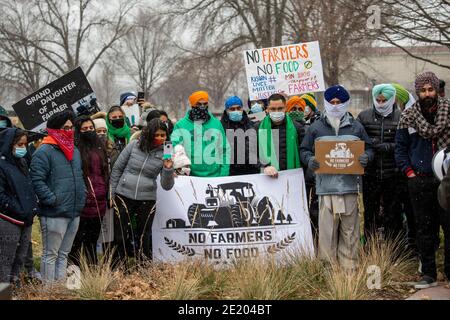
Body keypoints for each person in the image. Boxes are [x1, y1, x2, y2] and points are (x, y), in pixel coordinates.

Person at [300, 85, 373, 270]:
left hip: (349, 186)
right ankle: (327, 268)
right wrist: (310, 160)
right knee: (327, 230)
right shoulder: (316, 127)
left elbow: (370, 148)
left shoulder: (356, 127)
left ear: (345, 103)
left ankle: (350, 267)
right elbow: (304, 150)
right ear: (326, 103)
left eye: (339, 102)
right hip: (326, 187)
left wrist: (367, 157)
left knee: (350, 230)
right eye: (331, 102)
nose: (335, 105)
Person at [395, 71, 450, 289]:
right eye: (423, 90)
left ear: (436, 90)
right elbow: (400, 149)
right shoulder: (408, 116)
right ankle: (428, 274)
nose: (427, 94)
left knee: (449, 227)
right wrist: (410, 173)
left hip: (446, 181)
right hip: (419, 181)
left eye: (430, 89)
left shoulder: (448, 111)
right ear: (417, 92)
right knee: (424, 229)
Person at [30, 111, 86, 282]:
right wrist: (52, 200)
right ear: (54, 129)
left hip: (73, 210)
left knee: (64, 254)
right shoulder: (44, 151)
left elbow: (79, 175)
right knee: (50, 255)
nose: (69, 131)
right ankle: (48, 292)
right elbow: (36, 180)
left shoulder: (74, 151)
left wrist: (82, 195)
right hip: (54, 212)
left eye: (71, 127)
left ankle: (60, 289)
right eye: (65, 128)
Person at [110, 118, 175, 263]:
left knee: (143, 235)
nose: (159, 138)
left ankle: (143, 268)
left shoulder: (166, 152)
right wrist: (112, 193)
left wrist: (168, 167)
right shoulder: (134, 145)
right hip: (124, 194)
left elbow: (167, 185)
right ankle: (118, 267)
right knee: (120, 234)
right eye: (156, 135)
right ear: (149, 134)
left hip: (147, 198)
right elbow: (117, 169)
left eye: (163, 135)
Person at [357, 84, 404, 241]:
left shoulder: (401, 117)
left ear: (392, 100)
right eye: (378, 100)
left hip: (393, 174)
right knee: (370, 212)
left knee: (393, 213)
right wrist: (370, 145)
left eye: (384, 100)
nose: (381, 103)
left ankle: (393, 249)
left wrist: (389, 147)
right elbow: (357, 141)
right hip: (371, 173)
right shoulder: (364, 117)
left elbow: (406, 144)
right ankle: (369, 246)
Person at [0, 128, 39, 284]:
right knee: (5, 258)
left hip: (25, 219)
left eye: (24, 144)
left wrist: (32, 208)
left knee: (20, 257)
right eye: (19, 144)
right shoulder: (2, 165)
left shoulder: (22, 162)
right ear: (10, 144)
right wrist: (18, 209)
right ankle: (4, 289)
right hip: (8, 219)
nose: (22, 148)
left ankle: (14, 286)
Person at [68, 116, 109, 265]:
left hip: (100, 201)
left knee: (92, 240)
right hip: (83, 201)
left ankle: (92, 271)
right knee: (77, 241)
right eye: (84, 129)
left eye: (91, 128)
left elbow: (105, 173)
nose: (89, 131)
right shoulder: (75, 149)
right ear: (78, 131)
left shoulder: (100, 147)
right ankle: (74, 274)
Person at [171, 91, 230, 177]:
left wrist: (223, 173)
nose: (202, 107)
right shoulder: (180, 125)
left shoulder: (216, 124)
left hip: (215, 176)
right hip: (190, 177)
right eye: (198, 104)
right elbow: (173, 149)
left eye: (205, 104)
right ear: (192, 105)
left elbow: (224, 150)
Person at [257, 93, 305, 178]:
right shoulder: (257, 128)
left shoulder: (297, 127)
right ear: (267, 109)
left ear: (285, 108)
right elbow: (251, 153)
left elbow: (303, 152)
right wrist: (265, 166)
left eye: (280, 108)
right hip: (267, 178)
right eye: (273, 109)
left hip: (292, 177)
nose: (276, 112)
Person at [221, 96, 259, 176]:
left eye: (239, 108)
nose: (236, 111)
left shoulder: (251, 124)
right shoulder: (221, 126)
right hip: (231, 171)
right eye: (232, 109)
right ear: (226, 110)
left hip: (251, 170)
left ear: (242, 108)